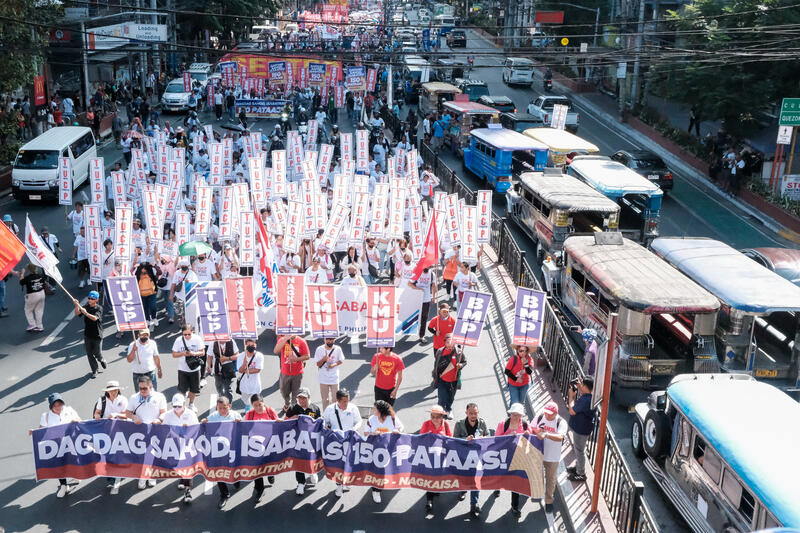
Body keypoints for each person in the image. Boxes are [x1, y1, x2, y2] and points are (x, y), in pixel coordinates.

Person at [33, 393, 81, 497]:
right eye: (55, 405)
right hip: (57, 445)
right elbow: (41, 431)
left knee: (73, 461)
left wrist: (75, 421)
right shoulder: (45, 416)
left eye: (60, 404)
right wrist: (34, 432)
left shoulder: (69, 410)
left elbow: (80, 422)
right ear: (51, 407)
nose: (58, 407)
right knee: (59, 465)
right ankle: (64, 485)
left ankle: (75, 474)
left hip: (71, 442)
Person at [155, 393, 198, 503]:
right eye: (175, 406)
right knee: (178, 464)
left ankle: (188, 491)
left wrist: (187, 431)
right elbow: (165, 428)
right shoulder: (168, 415)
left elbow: (197, 429)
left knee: (188, 467)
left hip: (188, 445)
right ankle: (181, 479)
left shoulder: (191, 414)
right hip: (174, 445)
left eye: (179, 406)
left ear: (184, 404)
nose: (177, 409)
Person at [125, 376, 167, 489]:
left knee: (153, 454)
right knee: (141, 456)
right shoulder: (134, 398)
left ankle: (151, 476)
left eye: (145, 388)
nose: (142, 391)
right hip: (139, 431)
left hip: (155, 430)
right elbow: (127, 413)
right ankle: (143, 477)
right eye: (140, 388)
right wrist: (134, 417)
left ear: (151, 386)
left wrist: (159, 420)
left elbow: (164, 412)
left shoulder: (159, 397)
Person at [202, 396, 242, 509]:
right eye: (220, 408)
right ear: (217, 408)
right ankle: (224, 494)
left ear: (229, 406)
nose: (223, 410)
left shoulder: (235, 415)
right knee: (219, 471)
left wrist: (240, 422)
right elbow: (205, 423)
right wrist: (203, 422)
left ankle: (236, 480)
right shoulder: (214, 416)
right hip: (218, 449)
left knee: (234, 468)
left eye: (225, 408)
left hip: (233, 447)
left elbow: (244, 428)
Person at [323, 389, 362, 497]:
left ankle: (347, 481)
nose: (346, 403)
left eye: (347, 401)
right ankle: (339, 486)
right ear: (338, 401)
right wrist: (326, 425)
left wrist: (355, 428)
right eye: (344, 401)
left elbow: (359, 421)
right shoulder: (330, 409)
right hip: (336, 442)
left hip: (350, 440)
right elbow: (324, 420)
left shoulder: (353, 408)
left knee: (349, 463)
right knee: (338, 465)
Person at [453, 402, 489, 519]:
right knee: (464, 477)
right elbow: (454, 440)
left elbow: (489, 436)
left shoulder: (482, 423)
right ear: (466, 413)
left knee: (476, 481)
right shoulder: (459, 424)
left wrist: (484, 438)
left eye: (475, 413)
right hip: (463, 457)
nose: (473, 415)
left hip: (478, 457)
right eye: (470, 413)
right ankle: (463, 490)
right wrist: (465, 439)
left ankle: (474, 504)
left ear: (478, 413)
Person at [284, 387, 322, 495]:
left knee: (311, 458)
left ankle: (312, 472)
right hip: (297, 441)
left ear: (309, 398)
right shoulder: (293, 408)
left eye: (303, 398)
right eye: (299, 398)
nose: (301, 400)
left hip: (311, 441)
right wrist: (294, 417)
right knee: (298, 462)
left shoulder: (315, 409)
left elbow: (319, 424)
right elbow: (284, 423)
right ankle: (301, 483)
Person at [92, 380, 128, 494]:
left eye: (115, 390)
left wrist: (117, 415)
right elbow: (97, 412)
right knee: (108, 453)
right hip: (106, 430)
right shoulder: (102, 400)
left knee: (118, 452)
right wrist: (97, 416)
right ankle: (112, 477)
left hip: (120, 430)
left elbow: (127, 415)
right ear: (107, 391)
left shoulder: (123, 400)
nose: (113, 392)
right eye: (111, 390)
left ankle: (117, 475)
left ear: (118, 389)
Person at [364, 400, 403, 503]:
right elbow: (365, 432)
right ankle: (376, 490)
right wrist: (373, 433)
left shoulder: (392, 418)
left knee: (385, 469)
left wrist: (397, 431)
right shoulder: (372, 419)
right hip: (375, 450)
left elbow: (401, 427)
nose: (373, 410)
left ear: (380, 411)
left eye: (374, 409)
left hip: (389, 450)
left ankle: (380, 484)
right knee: (377, 470)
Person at [495, 403, 531, 517]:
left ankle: (514, 507)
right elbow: (495, 440)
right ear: (510, 413)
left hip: (518, 458)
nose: (515, 417)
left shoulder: (525, 425)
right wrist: (508, 436)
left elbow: (531, 442)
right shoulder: (503, 424)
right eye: (513, 414)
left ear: (521, 415)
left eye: (517, 415)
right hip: (503, 457)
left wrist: (528, 436)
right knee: (500, 476)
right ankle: (496, 487)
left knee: (515, 482)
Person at [532, 401, 567, 513]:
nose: (547, 415)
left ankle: (548, 501)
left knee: (551, 480)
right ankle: (537, 491)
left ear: (555, 413)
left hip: (552, 457)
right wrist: (538, 431)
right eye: (546, 412)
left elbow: (561, 437)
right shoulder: (540, 416)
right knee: (536, 474)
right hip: (538, 453)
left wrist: (546, 434)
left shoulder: (561, 422)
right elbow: (531, 427)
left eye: (549, 414)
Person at [244, 394, 279, 502]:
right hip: (256, 445)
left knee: (269, 463)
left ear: (263, 402)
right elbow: (245, 428)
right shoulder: (249, 414)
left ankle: (270, 473)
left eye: (260, 404)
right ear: (252, 406)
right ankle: (259, 489)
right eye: (255, 405)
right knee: (257, 468)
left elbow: (277, 424)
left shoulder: (270, 411)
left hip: (269, 443)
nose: (258, 407)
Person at [420, 405, 452, 514]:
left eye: (437, 417)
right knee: (430, 478)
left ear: (442, 417)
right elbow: (420, 438)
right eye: (432, 416)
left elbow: (450, 439)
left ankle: (436, 490)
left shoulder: (446, 425)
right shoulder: (426, 424)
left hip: (441, 457)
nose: (434, 419)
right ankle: (429, 500)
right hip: (429, 456)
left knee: (439, 476)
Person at [171, 325, 206, 411]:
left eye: (189, 334)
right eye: (185, 334)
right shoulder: (178, 340)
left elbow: (202, 352)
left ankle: (191, 404)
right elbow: (174, 354)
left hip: (194, 369)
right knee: (182, 390)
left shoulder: (197, 339)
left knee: (194, 389)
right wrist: (183, 353)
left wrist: (193, 353)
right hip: (182, 369)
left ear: (192, 332)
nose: (187, 336)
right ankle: (182, 405)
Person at [72, 290, 106, 378]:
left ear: (96, 300)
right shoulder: (85, 306)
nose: (90, 300)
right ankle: (94, 370)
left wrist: (86, 313)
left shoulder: (99, 308)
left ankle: (101, 359)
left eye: (92, 299)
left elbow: (95, 318)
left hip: (97, 334)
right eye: (89, 298)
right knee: (89, 353)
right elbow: (77, 313)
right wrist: (76, 305)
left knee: (97, 352)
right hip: (87, 334)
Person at [567, 377, 595, 483]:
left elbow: (572, 411)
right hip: (584, 427)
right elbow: (584, 395)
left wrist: (571, 397)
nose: (580, 386)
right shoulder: (589, 397)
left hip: (581, 429)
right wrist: (579, 387)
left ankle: (581, 473)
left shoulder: (585, 401)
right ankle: (578, 467)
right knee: (579, 449)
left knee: (579, 451)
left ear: (585, 386)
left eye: (581, 384)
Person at [274, 334, 310, 413]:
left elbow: (307, 356)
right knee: (283, 391)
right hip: (285, 372)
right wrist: (284, 340)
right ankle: (287, 402)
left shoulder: (301, 341)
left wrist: (296, 359)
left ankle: (293, 408)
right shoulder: (282, 339)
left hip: (297, 373)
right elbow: (276, 351)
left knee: (296, 393)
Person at [432, 333, 465, 417]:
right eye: (447, 342)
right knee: (441, 398)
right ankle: (440, 413)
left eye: (452, 343)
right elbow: (436, 365)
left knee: (451, 397)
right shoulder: (440, 351)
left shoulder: (459, 352)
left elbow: (464, 362)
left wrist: (460, 365)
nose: (450, 345)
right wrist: (434, 376)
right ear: (444, 342)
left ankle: (449, 409)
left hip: (453, 381)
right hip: (442, 380)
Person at [314, 337, 345, 410]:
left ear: (334, 339)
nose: (330, 341)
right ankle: (326, 414)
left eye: (332, 339)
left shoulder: (338, 349)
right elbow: (318, 364)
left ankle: (333, 412)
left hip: (334, 378)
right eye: (328, 339)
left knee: (335, 399)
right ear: (324, 339)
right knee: (325, 399)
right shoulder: (319, 349)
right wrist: (323, 359)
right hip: (323, 378)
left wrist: (333, 365)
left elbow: (341, 360)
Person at [409, 265, 437, 343]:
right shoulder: (417, 273)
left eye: (428, 267)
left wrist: (434, 297)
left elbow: (433, 285)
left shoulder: (432, 274)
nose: (427, 268)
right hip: (416, 298)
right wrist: (418, 289)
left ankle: (422, 336)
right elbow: (409, 283)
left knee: (424, 317)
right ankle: (410, 329)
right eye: (425, 266)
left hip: (426, 299)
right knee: (414, 316)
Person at [207, 337, 239, 402]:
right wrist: (209, 366)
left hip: (229, 369)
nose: (223, 340)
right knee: (219, 385)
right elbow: (209, 356)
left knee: (228, 388)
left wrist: (227, 358)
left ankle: (228, 404)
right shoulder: (213, 343)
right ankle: (221, 397)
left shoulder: (231, 341)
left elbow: (237, 355)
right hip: (217, 368)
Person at [19, 263, 46, 332]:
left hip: (32, 295)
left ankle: (32, 324)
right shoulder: (40, 275)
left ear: (29, 270)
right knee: (39, 310)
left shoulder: (28, 278)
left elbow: (21, 282)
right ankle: (40, 326)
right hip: (42, 293)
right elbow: (44, 281)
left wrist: (22, 274)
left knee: (28, 310)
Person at [238, 338, 264, 406]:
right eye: (249, 345)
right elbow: (240, 371)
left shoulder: (259, 356)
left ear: (256, 345)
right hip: (244, 385)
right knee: (245, 400)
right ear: (245, 345)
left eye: (252, 345)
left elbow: (258, 369)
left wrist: (246, 370)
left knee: (256, 402)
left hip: (255, 385)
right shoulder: (241, 356)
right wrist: (244, 363)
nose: (250, 346)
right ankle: (247, 408)